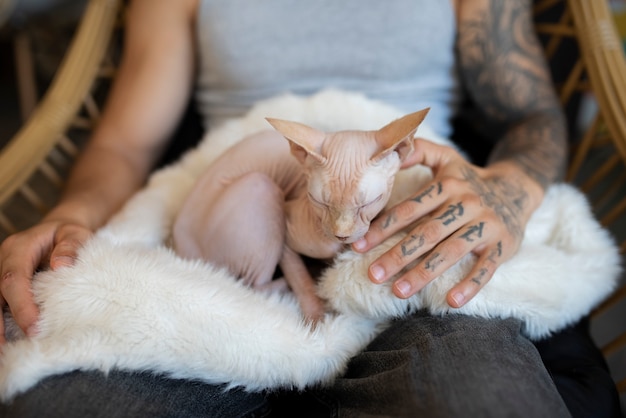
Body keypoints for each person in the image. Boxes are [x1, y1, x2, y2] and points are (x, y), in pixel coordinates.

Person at [0, 0, 620, 417]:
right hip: (239, 229)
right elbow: (122, 143)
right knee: (70, 402)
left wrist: (507, 190)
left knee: (480, 399)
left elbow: (532, 114)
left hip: (408, 230)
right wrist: (74, 211)